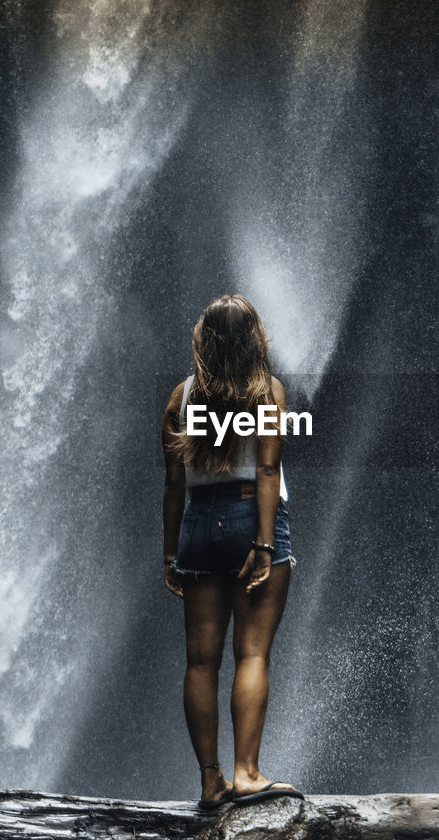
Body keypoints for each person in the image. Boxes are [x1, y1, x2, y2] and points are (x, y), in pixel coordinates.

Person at [161, 293, 304, 809]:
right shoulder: (268, 393)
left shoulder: (181, 397)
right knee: (252, 652)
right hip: (252, 518)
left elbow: (173, 484)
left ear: (205, 338)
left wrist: (169, 553)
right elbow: (266, 470)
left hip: (199, 522)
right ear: (254, 339)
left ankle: (210, 782)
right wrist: (264, 544)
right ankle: (246, 774)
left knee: (200, 662)